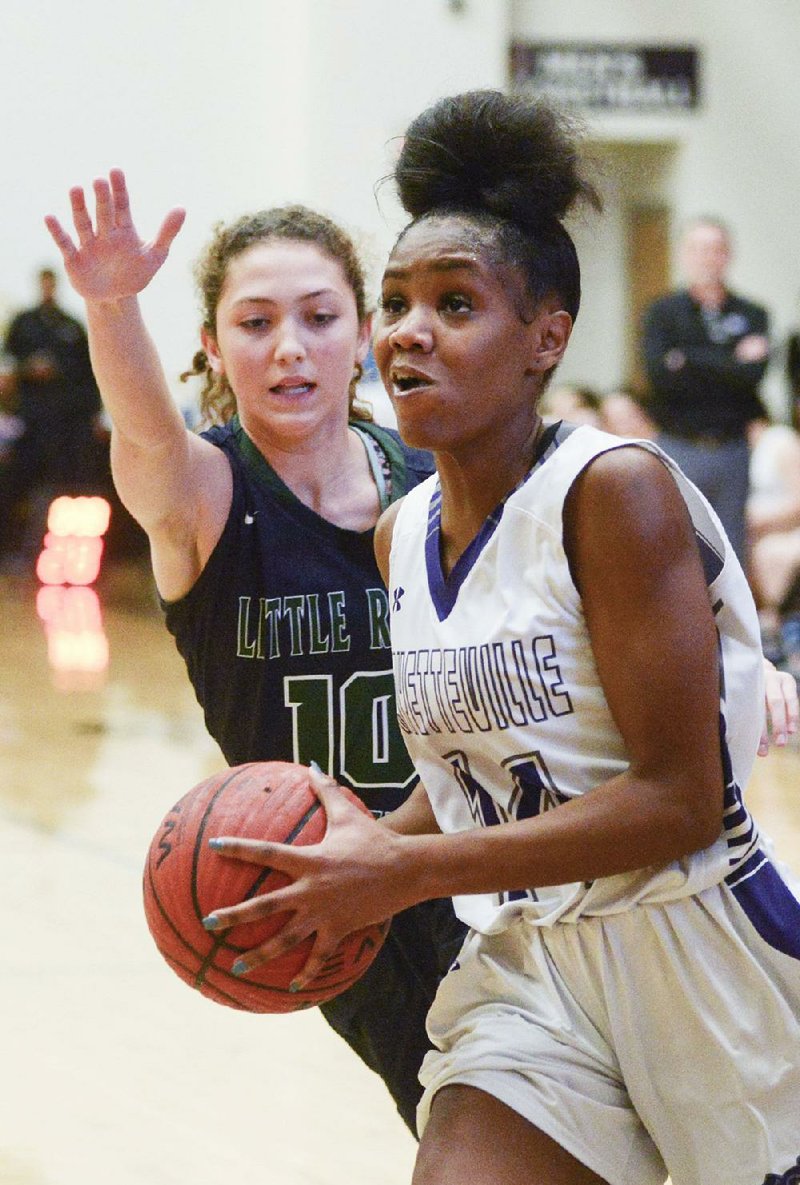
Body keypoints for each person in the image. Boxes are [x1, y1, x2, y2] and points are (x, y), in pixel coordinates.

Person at [203, 92, 800, 1184]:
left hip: (697, 955)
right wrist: (364, 849)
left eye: (453, 303)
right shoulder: (401, 533)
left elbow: (673, 800)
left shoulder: (610, 494)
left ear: (545, 339)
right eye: (393, 303)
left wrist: (404, 871)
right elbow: (467, 770)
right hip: (534, 974)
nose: (405, 332)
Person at [44, 173, 465, 1135]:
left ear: (363, 333)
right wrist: (112, 306)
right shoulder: (205, 495)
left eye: (320, 317)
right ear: (213, 347)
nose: (289, 348)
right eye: (255, 321)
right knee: (474, 1124)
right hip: (346, 902)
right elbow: (147, 437)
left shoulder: (436, 478)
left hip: (484, 852)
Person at [641, 216, 770, 567]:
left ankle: (730, 624)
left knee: (730, 551)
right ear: (684, 254)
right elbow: (660, 378)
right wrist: (731, 359)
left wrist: (688, 359)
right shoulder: (663, 313)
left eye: (715, 249)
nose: (706, 258)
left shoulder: (752, 313)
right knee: (674, 544)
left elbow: (752, 377)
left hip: (732, 448)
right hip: (679, 444)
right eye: (698, 249)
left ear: (728, 255)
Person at [1, 267, 107, 562]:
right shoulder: (23, 324)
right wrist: (28, 369)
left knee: (60, 488)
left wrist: (95, 415)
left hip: (65, 427)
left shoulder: (72, 327)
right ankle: (14, 551)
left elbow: (90, 375)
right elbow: (8, 370)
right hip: (29, 423)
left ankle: (47, 554)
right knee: (19, 484)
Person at [747, 415, 800, 677]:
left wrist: (757, 521)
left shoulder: (780, 441)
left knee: (773, 554)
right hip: (752, 538)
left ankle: (776, 626)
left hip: (787, 531)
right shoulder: (729, 449)